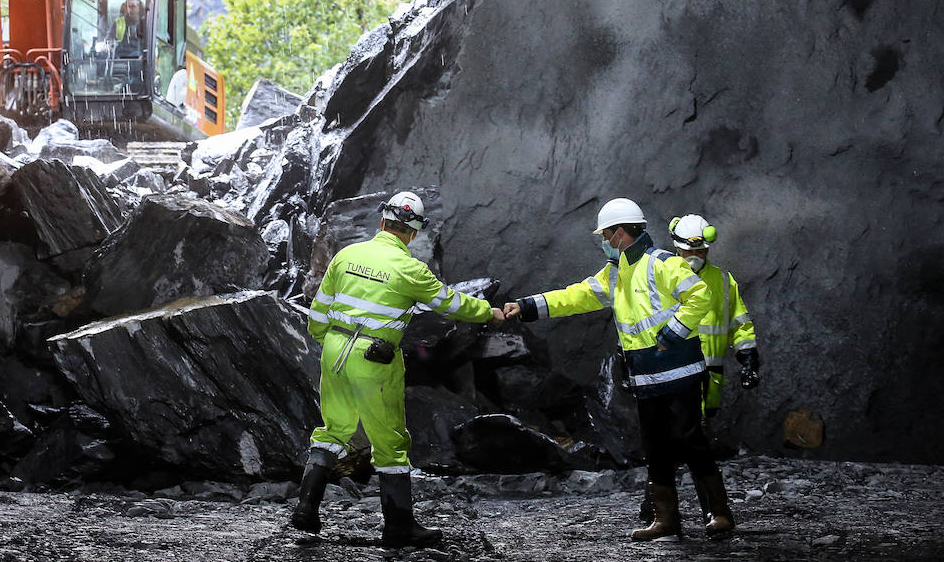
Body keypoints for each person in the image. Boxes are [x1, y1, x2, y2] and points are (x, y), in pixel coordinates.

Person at [503, 197, 736, 541]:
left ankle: (719, 513)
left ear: (621, 233)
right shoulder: (616, 273)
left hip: (679, 371)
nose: (604, 241)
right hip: (646, 377)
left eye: (607, 234)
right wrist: (526, 307)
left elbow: (699, 295)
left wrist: (673, 332)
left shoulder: (662, 263)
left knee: (690, 440)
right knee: (655, 446)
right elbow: (576, 296)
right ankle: (666, 520)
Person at [291, 191, 505, 548]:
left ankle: (306, 507)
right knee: (390, 442)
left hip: (334, 349)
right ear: (413, 232)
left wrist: (329, 343)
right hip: (374, 358)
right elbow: (450, 303)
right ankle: (399, 527)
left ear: (382, 222)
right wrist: (489, 312)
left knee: (334, 428)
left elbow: (318, 313)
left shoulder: (347, 256)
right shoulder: (410, 270)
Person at [667, 214, 760, 420]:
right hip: (673, 374)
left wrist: (748, 359)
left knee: (702, 430)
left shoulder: (723, 281)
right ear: (677, 248)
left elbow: (739, 324)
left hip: (710, 377)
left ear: (708, 249)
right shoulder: (662, 278)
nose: (695, 257)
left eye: (700, 251)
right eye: (688, 252)